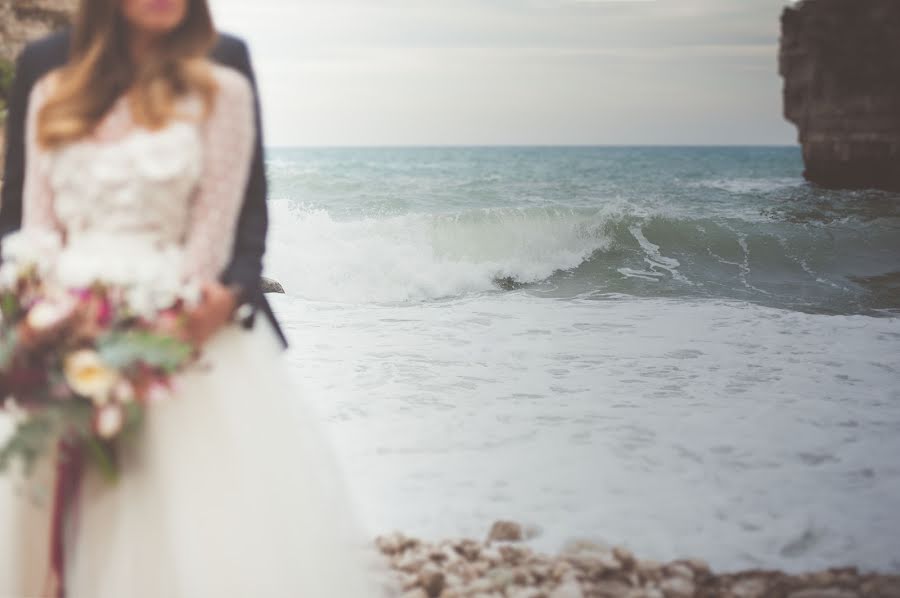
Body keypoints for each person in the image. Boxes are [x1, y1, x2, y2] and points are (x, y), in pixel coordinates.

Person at [0, 0, 381, 596]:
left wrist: (204, 308)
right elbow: (25, 219)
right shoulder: (47, 70)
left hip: (185, 333)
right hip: (60, 331)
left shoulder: (222, 73)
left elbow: (236, 221)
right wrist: (39, 316)